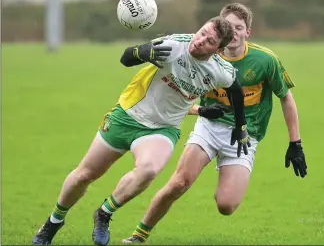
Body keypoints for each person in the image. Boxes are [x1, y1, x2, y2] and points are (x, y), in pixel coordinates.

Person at [32, 16, 251, 246]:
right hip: (127, 115)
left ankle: (104, 212)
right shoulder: (174, 45)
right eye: (202, 33)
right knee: (85, 175)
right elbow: (126, 58)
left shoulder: (220, 71)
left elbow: (235, 91)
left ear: (218, 50)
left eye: (209, 41)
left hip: (163, 129)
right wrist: (142, 52)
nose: (200, 41)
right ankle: (54, 221)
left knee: (148, 170)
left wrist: (240, 125)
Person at [122, 3, 307, 244]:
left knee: (226, 205)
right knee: (179, 183)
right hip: (208, 128)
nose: (234, 32)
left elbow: (286, 98)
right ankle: (139, 235)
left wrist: (296, 143)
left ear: (247, 32)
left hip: (243, 137)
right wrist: (199, 110)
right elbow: (176, 90)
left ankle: (227, 177)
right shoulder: (204, 52)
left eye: (239, 27)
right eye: (229, 26)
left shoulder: (265, 60)